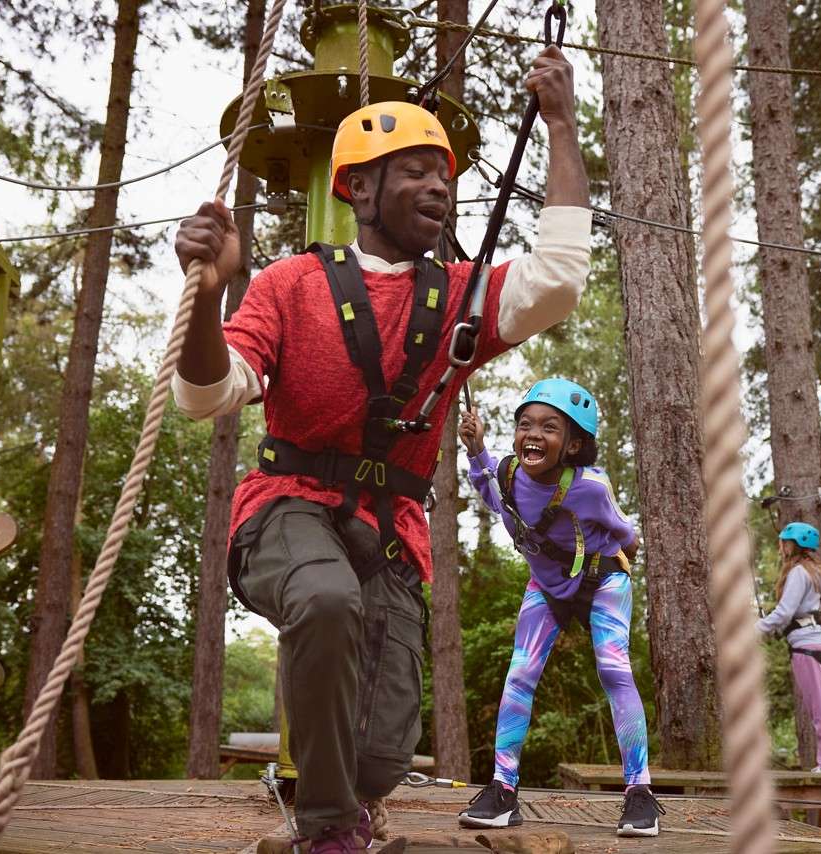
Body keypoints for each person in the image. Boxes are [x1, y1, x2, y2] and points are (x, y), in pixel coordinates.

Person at [170, 46, 590, 854]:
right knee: (327, 600)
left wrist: (563, 125)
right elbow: (206, 394)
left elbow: (561, 275)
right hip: (286, 510)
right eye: (413, 171)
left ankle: (350, 803)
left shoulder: (461, 298)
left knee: (384, 752)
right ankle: (328, 833)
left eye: (445, 174)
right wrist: (209, 292)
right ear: (358, 188)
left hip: (391, 530)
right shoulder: (290, 285)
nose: (438, 185)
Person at [455, 379, 664, 838]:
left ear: (572, 445)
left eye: (550, 427)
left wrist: (613, 554)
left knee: (614, 670)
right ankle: (503, 790)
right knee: (520, 673)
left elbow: (624, 533)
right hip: (547, 585)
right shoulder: (509, 475)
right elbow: (491, 489)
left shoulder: (591, 487)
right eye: (525, 424)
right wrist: (475, 449)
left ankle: (640, 792)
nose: (534, 434)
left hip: (604, 578)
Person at [756, 523, 821, 774]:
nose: (781, 547)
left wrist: (756, 628)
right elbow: (792, 614)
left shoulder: (799, 572)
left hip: (806, 645)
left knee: (819, 707)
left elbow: (785, 612)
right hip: (815, 640)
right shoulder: (812, 571)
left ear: (791, 544)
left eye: (783, 542)